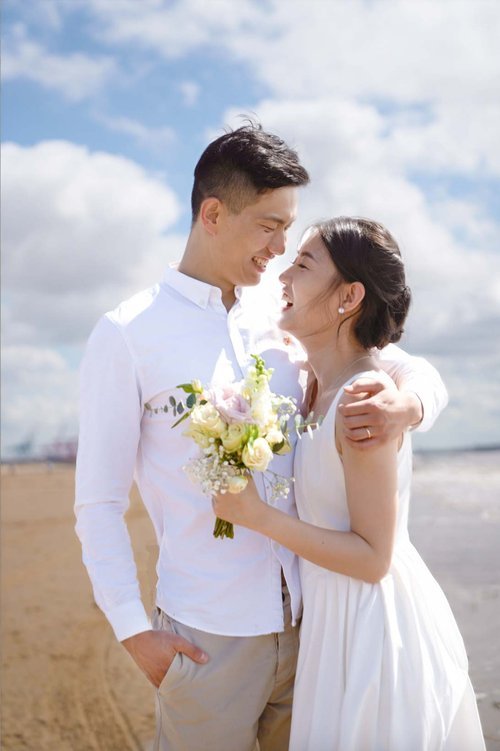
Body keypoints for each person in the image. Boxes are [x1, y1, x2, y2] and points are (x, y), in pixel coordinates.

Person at [75, 125, 448, 751]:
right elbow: (99, 504)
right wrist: (134, 631)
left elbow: (392, 362)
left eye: (290, 230)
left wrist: (412, 404)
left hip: (312, 633)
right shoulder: (127, 334)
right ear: (213, 213)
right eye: (269, 225)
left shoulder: (280, 320)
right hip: (208, 637)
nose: (280, 250)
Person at [213, 216, 485, 751]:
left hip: (373, 631)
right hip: (331, 625)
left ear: (349, 297)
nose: (284, 275)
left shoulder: (363, 401)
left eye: (304, 264)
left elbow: (372, 557)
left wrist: (257, 516)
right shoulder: (317, 381)